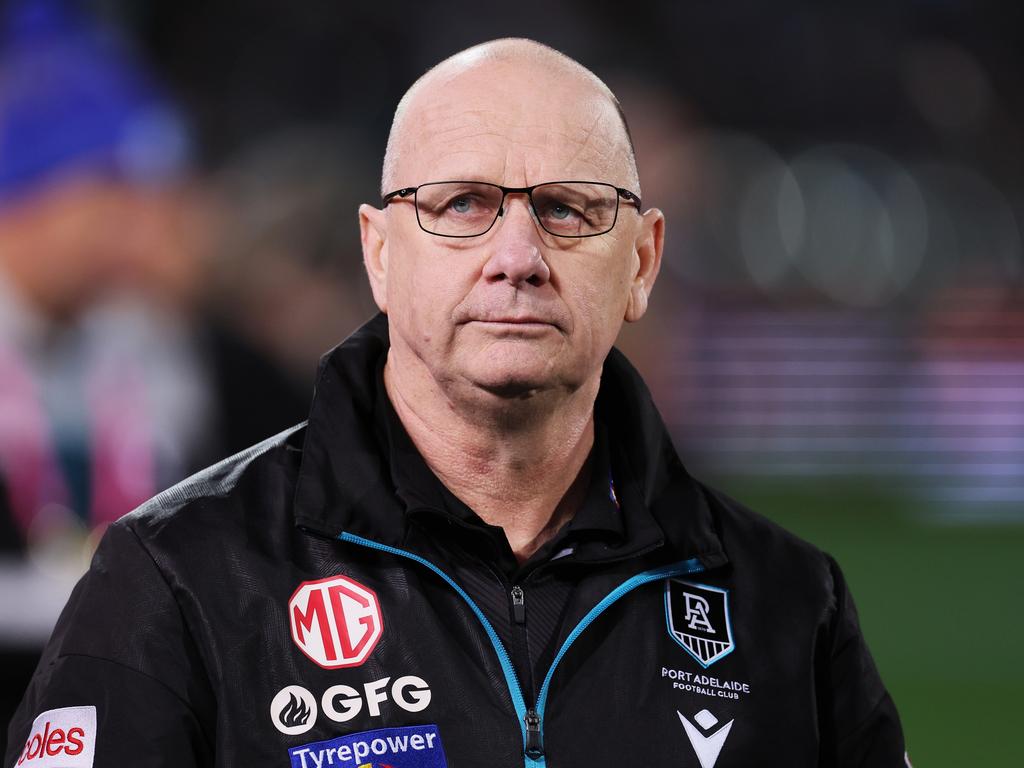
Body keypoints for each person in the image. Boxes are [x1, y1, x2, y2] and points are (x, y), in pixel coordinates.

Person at [5, 39, 907, 767]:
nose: (516, 256)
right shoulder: (175, 579)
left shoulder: (792, 604)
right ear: (380, 254)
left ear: (642, 262)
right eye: (463, 204)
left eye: (568, 209)